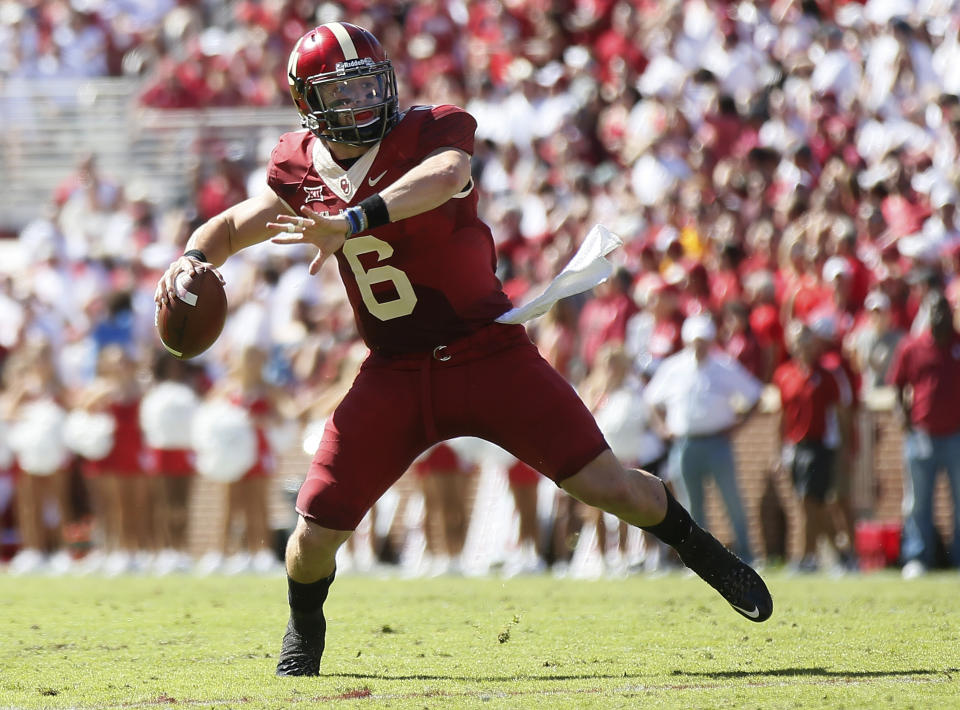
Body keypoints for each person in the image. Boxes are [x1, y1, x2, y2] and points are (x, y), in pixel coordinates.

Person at [155, 22, 772, 677]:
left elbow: (447, 176)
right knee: (312, 535)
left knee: (610, 486)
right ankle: (304, 633)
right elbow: (225, 227)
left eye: (369, 81)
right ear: (309, 102)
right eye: (344, 89)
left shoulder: (431, 130)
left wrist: (352, 221)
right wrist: (190, 259)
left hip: (487, 354)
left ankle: (700, 548)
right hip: (394, 372)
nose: (363, 99)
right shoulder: (300, 166)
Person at [645, 314, 763, 564]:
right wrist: (662, 427)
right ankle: (700, 559)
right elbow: (652, 400)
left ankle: (747, 554)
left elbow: (755, 394)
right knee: (691, 505)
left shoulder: (724, 366)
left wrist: (738, 427)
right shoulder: (673, 367)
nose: (699, 345)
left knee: (732, 500)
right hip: (685, 443)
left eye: (703, 340)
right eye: (695, 341)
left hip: (717, 442)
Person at [886, 293, 960, 579]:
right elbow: (896, 386)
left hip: (955, 435)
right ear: (926, 313)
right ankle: (918, 557)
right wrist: (904, 421)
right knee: (917, 503)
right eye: (934, 309)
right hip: (922, 435)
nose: (939, 315)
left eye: (943, 308)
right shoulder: (912, 346)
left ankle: (957, 559)